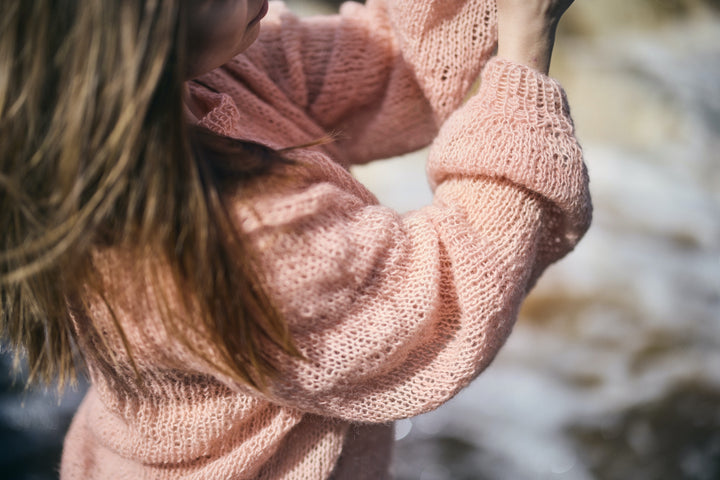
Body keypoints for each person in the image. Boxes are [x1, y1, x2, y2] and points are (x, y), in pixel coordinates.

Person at [0, 0, 591, 478]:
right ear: (133, 42)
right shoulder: (226, 237)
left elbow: (388, 64)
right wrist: (524, 56)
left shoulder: (161, 96)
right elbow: (448, 295)